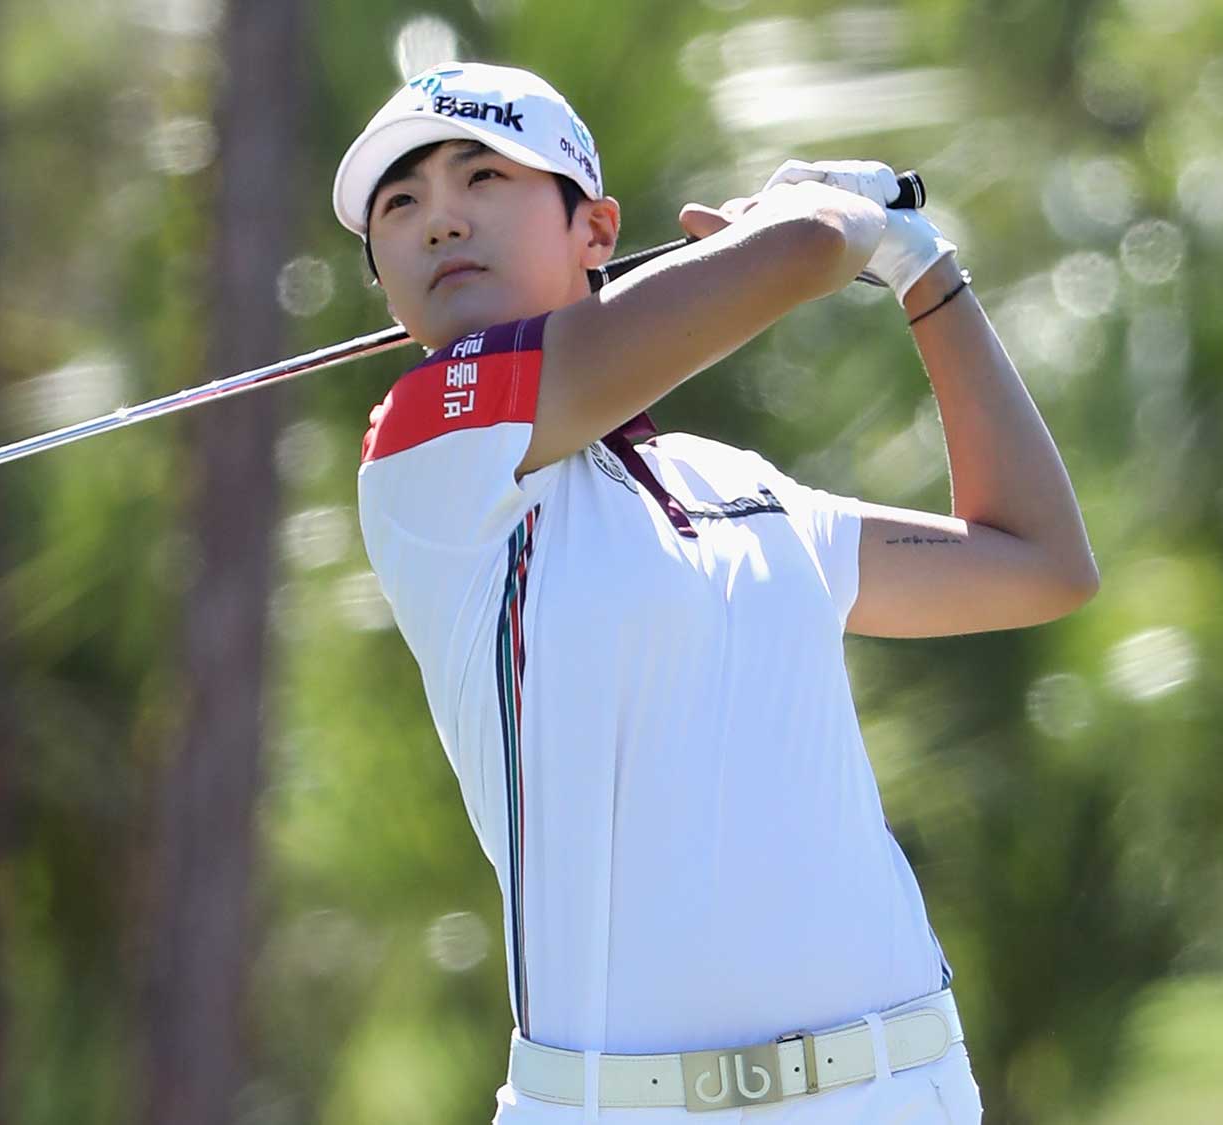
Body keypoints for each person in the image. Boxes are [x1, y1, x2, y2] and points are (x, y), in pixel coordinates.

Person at [336, 62, 1097, 1123]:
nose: (437, 220)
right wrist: (829, 215)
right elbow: (809, 250)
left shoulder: (738, 487)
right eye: (400, 205)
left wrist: (924, 271)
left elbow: (1036, 561)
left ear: (594, 230)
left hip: (896, 1086)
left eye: (483, 179)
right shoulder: (423, 446)